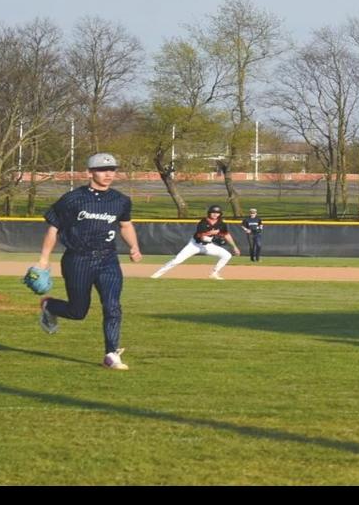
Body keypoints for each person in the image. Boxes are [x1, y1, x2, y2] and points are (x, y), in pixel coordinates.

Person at [37, 152, 143, 370]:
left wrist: (134, 246)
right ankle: (50, 306)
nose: (108, 174)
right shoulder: (73, 199)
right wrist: (44, 259)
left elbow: (125, 225)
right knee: (78, 312)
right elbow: (53, 228)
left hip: (108, 259)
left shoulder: (120, 200)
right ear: (90, 172)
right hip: (78, 259)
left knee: (113, 306)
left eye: (112, 169)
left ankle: (111, 354)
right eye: (103, 170)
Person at [151, 205, 241, 280]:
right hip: (194, 245)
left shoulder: (221, 223)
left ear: (220, 214)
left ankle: (214, 273)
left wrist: (234, 247)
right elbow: (201, 236)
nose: (215, 214)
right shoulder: (203, 221)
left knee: (227, 255)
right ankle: (155, 275)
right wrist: (212, 234)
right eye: (213, 212)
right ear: (209, 213)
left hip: (208, 246)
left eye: (217, 213)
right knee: (177, 260)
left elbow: (226, 235)